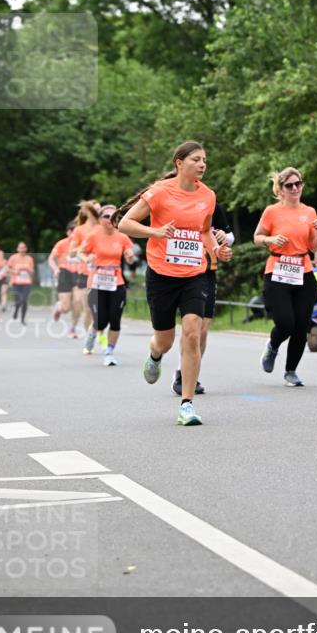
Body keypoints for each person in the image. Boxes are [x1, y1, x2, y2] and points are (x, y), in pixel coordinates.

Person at [117, 141, 232, 425]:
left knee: (193, 331)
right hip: (161, 276)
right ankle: (155, 355)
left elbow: (204, 231)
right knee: (165, 340)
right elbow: (125, 224)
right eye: (196, 159)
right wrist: (155, 232)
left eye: (205, 159)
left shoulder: (208, 196)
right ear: (179, 163)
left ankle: (187, 404)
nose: (203, 164)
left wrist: (216, 250)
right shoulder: (159, 192)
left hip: (194, 274)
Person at [253, 167, 317, 387]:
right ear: (281, 189)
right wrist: (270, 239)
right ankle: (273, 346)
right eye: (289, 185)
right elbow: (257, 237)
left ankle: (291, 371)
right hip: (278, 270)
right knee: (285, 322)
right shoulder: (272, 211)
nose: (295, 188)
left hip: (303, 271)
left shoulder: (310, 212)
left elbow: (313, 247)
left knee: (301, 325)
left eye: (298, 184)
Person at [172, 203, 235, 397]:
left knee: (202, 329)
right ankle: (183, 375)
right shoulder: (173, 202)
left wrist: (225, 238)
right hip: (181, 270)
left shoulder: (210, 203)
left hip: (207, 271)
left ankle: (188, 373)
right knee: (190, 327)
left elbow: (230, 237)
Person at [79, 205, 135, 365]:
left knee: (115, 319)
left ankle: (109, 352)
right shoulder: (93, 235)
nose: (109, 219)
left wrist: (130, 257)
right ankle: (92, 334)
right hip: (97, 282)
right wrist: (86, 259)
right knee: (101, 321)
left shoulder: (122, 236)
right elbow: (81, 252)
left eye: (113, 216)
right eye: (106, 216)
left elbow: (129, 257)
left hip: (116, 283)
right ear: (99, 219)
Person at [70, 201, 100, 340]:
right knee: (88, 309)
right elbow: (71, 253)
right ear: (88, 212)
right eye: (96, 209)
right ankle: (90, 339)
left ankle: (99, 334)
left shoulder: (103, 228)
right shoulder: (79, 230)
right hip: (85, 273)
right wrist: (85, 248)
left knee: (101, 310)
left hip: (103, 273)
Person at [48, 221, 81, 336]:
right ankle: (59, 307)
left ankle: (73, 328)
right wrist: (56, 269)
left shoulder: (82, 244)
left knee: (78, 301)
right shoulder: (61, 244)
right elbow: (51, 259)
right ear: (68, 232)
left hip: (78, 273)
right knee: (66, 307)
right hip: (64, 273)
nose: (74, 234)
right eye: (72, 231)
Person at [7, 242, 35, 324]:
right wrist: (15, 271)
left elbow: (32, 271)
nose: (22, 249)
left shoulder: (29, 259)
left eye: (23, 248)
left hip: (26, 282)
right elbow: (7, 269)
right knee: (17, 301)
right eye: (20, 248)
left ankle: (23, 319)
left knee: (24, 300)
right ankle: (16, 310)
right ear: (17, 249)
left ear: (26, 249)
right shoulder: (13, 258)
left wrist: (30, 271)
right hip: (16, 282)